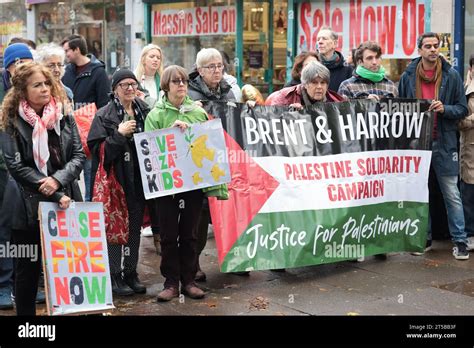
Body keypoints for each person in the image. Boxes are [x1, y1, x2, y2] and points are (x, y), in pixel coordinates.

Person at [1, 62, 85, 315]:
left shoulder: (64, 115)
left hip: (64, 203)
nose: (45, 89)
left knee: (67, 267)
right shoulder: (11, 121)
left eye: (47, 83)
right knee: (27, 272)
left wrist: (58, 181)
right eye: (37, 85)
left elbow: (79, 155)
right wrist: (53, 190)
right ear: (22, 90)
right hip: (27, 207)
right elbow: (16, 166)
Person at [398, 32, 469, 260]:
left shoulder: (451, 75)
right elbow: (400, 109)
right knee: (421, 193)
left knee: (452, 194)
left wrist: (444, 109)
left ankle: (460, 241)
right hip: (418, 143)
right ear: (419, 50)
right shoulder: (408, 76)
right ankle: (425, 238)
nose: (432, 49)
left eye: (436, 46)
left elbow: (463, 109)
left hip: (444, 143)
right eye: (427, 46)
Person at [145, 65, 209, 301]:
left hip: (192, 184)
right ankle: (171, 283)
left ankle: (189, 280)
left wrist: (191, 131)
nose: (181, 85)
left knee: (190, 234)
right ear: (165, 86)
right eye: (175, 82)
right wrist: (169, 135)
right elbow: (150, 150)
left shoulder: (197, 113)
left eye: (183, 81)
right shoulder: (156, 115)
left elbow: (206, 144)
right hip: (166, 187)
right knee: (169, 236)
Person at [87, 69, 151, 296]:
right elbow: (96, 151)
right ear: (115, 89)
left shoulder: (145, 110)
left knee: (134, 229)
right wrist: (119, 135)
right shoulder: (104, 115)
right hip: (116, 182)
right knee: (115, 229)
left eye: (133, 84)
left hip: (140, 181)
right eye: (124, 85)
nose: (130, 88)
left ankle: (130, 272)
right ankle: (114, 274)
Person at [188, 48, 236, 282]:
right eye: (211, 67)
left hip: (228, 157)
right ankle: (193, 263)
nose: (217, 70)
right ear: (200, 70)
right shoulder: (189, 93)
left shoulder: (228, 90)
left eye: (219, 65)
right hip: (201, 161)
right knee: (199, 216)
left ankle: (236, 257)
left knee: (231, 208)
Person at [0, 42, 35, 310]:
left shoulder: (34, 91)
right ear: (8, 66)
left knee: (27, 233)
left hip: (28, 175)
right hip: (4, 172)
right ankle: (4, 285)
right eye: (17, 61)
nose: (22, 65)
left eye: (27, 60)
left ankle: (23, 286)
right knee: (4, 231)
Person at [61, 34, 111, 203]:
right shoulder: (66, 72)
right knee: (67, 181)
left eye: (68, 50)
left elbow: (104, 104)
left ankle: (89, 220)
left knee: (90, 181)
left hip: (89, 136)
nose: (66, 54)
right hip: (67, 134)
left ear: (77, 50)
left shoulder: (98, 72)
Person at [266, 61, 344, 107]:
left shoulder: (336, 102)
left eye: (323, 83)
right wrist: (290, 114)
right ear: (305, 84)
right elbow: (272, 118)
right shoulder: (285, 97)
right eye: (314, 83)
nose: (319, 87)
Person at [459, 53, 474, 251]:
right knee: (469, 197)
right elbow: (458, 122)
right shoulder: (465, 92)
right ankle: (470, 234)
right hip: (471, 153)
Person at [317, 27, 353, 91]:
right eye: (318, 39)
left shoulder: (347, 69)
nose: (320, 42)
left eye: (324, 39)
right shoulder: (311, 66)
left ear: (335, 44)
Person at [134, 44, 164, 108]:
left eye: (158, 58)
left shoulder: (163, 81)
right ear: (143, 59)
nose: (155, 60)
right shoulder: (134, 79)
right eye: (152, 56)